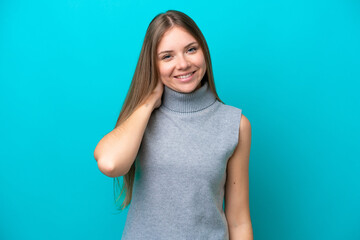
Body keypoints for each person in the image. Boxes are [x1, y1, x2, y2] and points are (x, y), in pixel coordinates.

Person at [94, 10, 253, 240]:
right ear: (153, 64)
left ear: (204, 51)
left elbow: (239, 221)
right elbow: (110, 164)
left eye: (191, 49)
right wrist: (149, 101)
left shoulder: (235, 125)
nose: (183, 64)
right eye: (167, 56)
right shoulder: (141, 120)